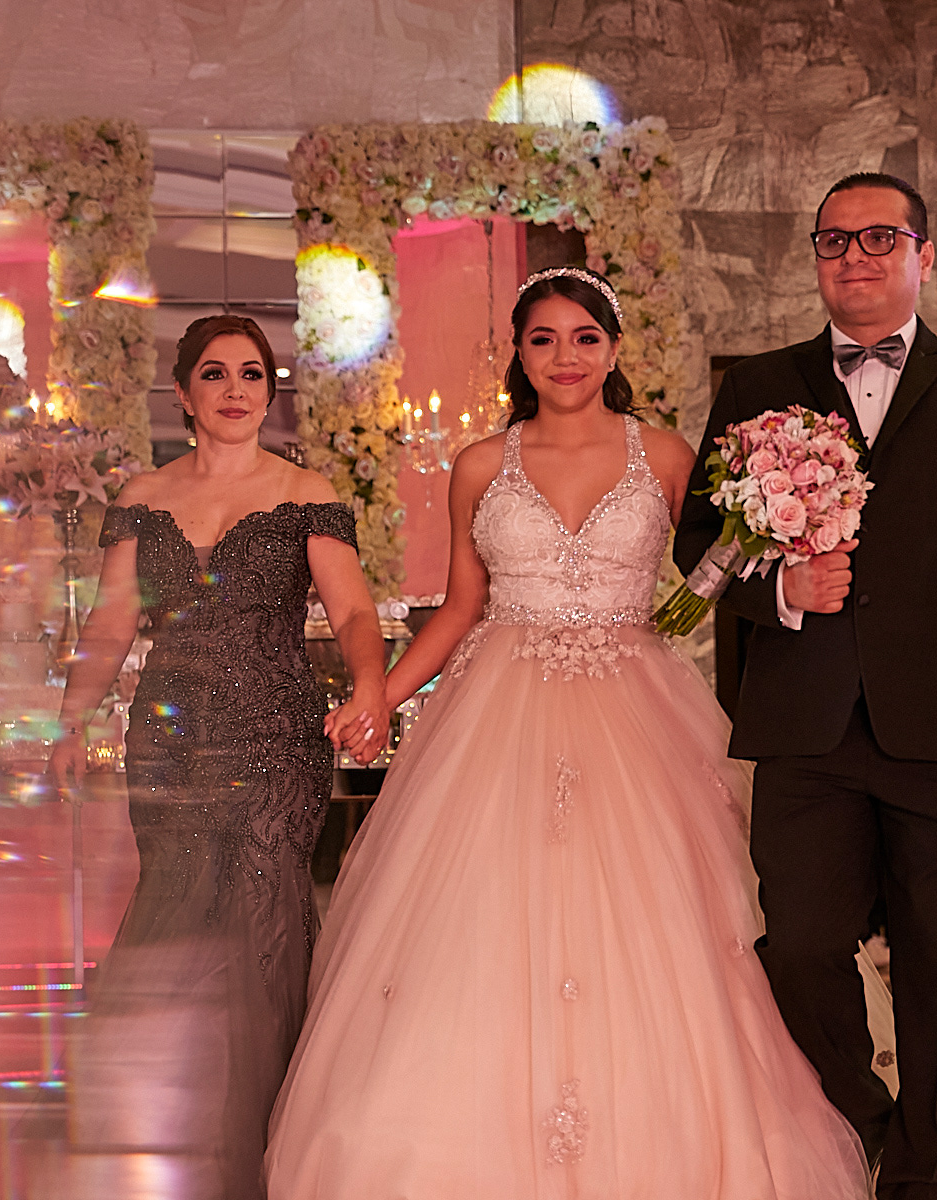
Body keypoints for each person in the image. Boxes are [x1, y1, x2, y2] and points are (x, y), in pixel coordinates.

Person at [264, 269, 870, 1198]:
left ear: (614, 349)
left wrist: (783, 553)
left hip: (641, 712)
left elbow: (714, 573)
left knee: (672, 925)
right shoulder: (481, 464)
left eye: (585, 338)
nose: (565, 358)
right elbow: (461, 607)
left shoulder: (665, 455)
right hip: (498, 718)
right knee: (479, 922)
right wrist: (379, 694)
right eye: (543, 339)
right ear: (518, 353)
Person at [675, 173, 937, 1200]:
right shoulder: (757, 386)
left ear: (924, 255)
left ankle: (928, 1186)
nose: (853, 257)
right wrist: (782, 588)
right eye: (833, 240)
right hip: (805, 726)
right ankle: (872, 1125)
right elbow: (700, 548)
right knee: (799, 948)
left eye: (878, 238)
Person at [49, 314, 388, 1198]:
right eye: (215, 373)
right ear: (183, 393)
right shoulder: (142, 495)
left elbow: (354, 611)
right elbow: (111, 622)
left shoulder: (305, 492)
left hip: (276, 737)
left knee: (264, 912)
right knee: (180, 907)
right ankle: (165, 1134)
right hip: (169, 739)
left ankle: (269, 1145)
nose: (235, 389)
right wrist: (71, 718)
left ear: (270, 393)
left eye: (251, 374)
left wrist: (369, 687)